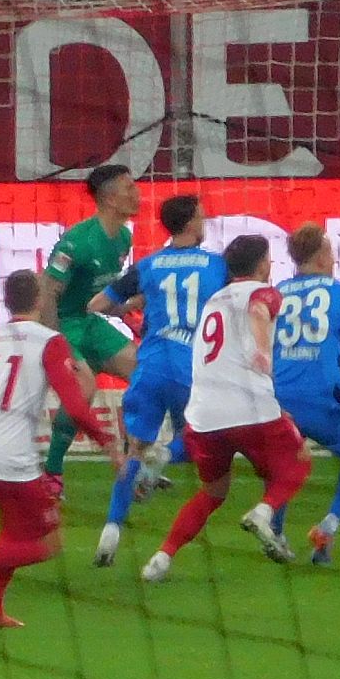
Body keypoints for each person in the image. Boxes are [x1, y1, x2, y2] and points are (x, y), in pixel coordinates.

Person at [0, 270, 122, 628]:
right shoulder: (49, 342)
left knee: (12, 530)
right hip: (10, 456)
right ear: (40, 300)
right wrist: (108, 443)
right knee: (50, 540)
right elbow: (73, 403)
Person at [141, 235, 312, 583]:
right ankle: (264, 513)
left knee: (213, 493)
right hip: (250, 408)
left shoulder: (213, 300)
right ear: (263, 264)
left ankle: (161, 558)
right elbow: (259, 311)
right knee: (298, 461)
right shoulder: (264, 292)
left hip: (203, 416)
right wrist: (262, 349)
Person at [86, 194, 225, 567]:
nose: (205, 220)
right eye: (201, 216)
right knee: (197, 444)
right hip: (190, 367)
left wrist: (130, 306)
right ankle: (163, 458)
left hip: (149, 364)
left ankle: (110, 532)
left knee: (135, 449)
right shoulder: (218, 265)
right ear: (191, 223)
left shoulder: (149, 265)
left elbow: (97, 304)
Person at [272, 223, 340, 566]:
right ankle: (328, 527)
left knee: (284, 462)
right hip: (321, 399)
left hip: (278, 398)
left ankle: (275, 532)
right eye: (331, 252)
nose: (333, 259)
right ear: (320, 256)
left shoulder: (275, 293)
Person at [38, 162, 139, 480]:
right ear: (110, 199)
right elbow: (46, 295)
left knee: (143, 372)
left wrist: (127, 314)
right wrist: (57, 342)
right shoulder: (77, 243)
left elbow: (100, 295)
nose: (137, 194)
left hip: (89, 319)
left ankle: (133, 458)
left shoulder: (123, 237)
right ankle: (52, 470)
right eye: (129, 188)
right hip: (63, 323)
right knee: (84, 389)